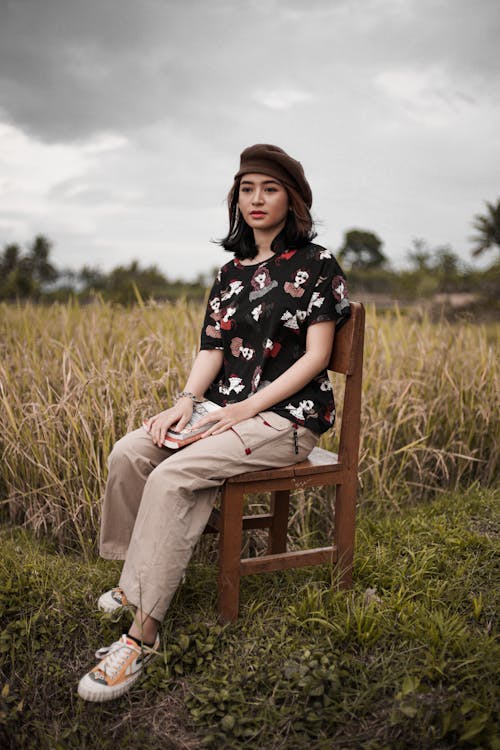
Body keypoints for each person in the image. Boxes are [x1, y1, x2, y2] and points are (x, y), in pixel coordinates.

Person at [77, 143, 350, 702]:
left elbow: (316, 356)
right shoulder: (229, 271)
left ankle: (142, 634)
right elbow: (212, 347)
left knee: (173, 476)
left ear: (292, 199)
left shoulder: (318, 264)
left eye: (269, 188)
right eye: (247, 189)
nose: (256, 199)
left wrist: (245, 410)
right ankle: (133, 583)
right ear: (236, 198)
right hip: (220, 411)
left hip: (285, 421)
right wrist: (185, 401)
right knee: (130, 453)